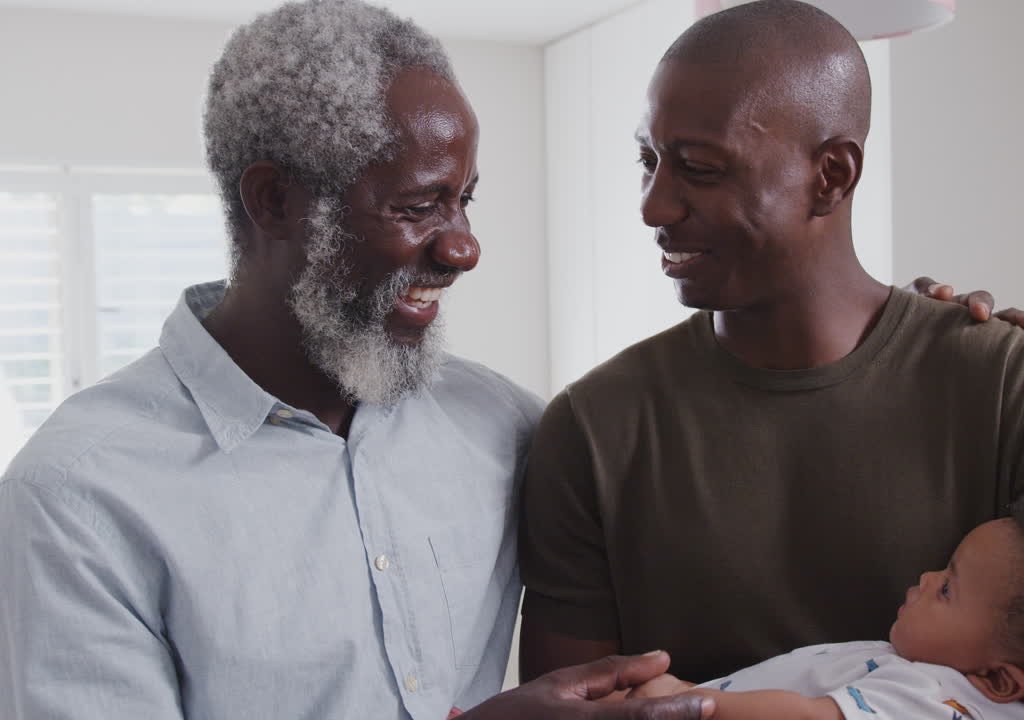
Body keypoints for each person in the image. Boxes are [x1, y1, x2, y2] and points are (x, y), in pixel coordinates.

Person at [0, 1, 712, 718]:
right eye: (418, 205)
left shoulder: (506, 429)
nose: (464, 248)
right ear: (275, 201)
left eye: (463, 200)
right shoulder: (78, 497)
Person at [516, 2, 1024, 717]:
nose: (653, 205)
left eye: (698, 168)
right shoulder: (591, 429)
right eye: (649, 159)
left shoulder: (1012, 384)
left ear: (832, 174)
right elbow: (571, 711)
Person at [623, 494, 1024, 720]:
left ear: (997, 678)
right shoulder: (960, 690)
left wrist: (685, 703)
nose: (926, 576)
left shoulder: (936, 700)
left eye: (947, 589)